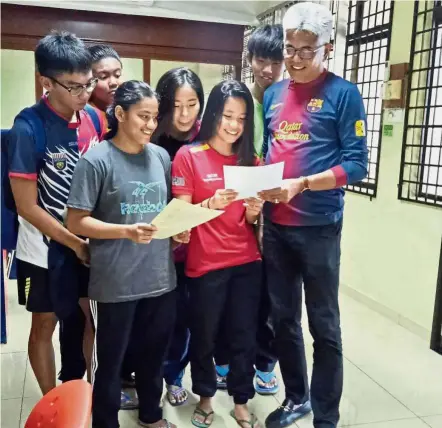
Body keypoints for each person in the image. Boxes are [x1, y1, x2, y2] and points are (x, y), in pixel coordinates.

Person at [259, 3, 368, 428]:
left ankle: (326, 415)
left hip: (319, 228)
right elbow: (269, 154)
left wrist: (301, 184)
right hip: (276, 229)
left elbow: (356, 166)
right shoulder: (272, 95)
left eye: (307, 49)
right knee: (283, 319)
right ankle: (296, 398)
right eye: (290, 48)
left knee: (324, 325)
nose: (296, 58)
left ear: (329, 48)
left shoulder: (344, 94)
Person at [67, 80, 186, 428]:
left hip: (161, 280)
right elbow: (76, 220)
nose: (151, 125)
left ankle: (151, 416)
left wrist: (178, 231)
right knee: (112, 363)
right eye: (143, 116)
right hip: (116, 283)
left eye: (154, 117)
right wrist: (125, 231)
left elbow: (164, 211)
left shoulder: (161, 157)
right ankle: (106, 423)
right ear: (120, 114)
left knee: (154, 357)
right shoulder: (96, 161)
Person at [7, 30, 101, 395]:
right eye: (73, 87)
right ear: (46, 82)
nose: (84, 93)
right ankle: (51, 401)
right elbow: (26, 205)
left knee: (85, 315)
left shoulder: (93, 118)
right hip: (43, 248)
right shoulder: (27, 127)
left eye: (87, 83)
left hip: (86, 240)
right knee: (44, 323)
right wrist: (74, 243)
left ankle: (84, 394)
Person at [172, 80, 264, 428]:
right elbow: (182, 219)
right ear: (214, 114)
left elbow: (248, 220)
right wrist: (210, 203)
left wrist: (254, 210)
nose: (234, 125)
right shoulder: (189, 156)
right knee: (205, 334)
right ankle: (206, 397)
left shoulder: (251, 162)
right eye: (228, 116)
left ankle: (241, 400)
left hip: (246, 262)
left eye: (241, 118)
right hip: (206, 263)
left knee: (244, 334)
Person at [214, 24, 284, 396]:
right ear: (250, 60)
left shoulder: (290, 102)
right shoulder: (241, 104)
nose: (269, 70)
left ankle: (265, 362)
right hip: (237, 212)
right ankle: (223, 358)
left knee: (272, 295)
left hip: (279, 213)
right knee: (234, 290)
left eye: (276, 61)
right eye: (261, 60)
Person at [152, 67, 204, 406]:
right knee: (154, 319)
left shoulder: (208, 136)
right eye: (175, 105)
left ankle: (173, 376)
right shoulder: (149, 133)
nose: (184, 115)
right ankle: (145, 375)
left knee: (186, 320)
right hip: (154, 247)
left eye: (192, 104)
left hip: (197, 247)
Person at [88, 44, 123, 129]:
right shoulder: (83, 116)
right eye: (103, 77)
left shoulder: (125, 111)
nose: (114, 83)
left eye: (117, 75)